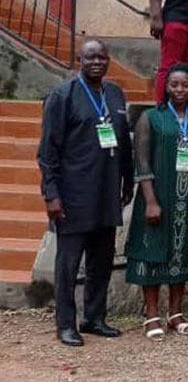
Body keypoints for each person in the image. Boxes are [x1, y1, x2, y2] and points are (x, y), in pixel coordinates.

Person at [37, 40, 133, 346]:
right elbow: (48, 152)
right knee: (68, 264)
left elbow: (124, 143)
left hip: (107, 194)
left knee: (100, 262)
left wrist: (127, 181)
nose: (96, 62)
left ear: (108, 60)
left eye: (102, 57)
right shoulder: (62, 96)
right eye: (90, 57)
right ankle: (65, 324)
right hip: (73, 195)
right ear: (80, 60)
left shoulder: (115, 94)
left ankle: (94, 318)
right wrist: (51, 194)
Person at [125, 63, 188, 341]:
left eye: (185, 85)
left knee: (183, 254)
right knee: (152, 252)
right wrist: (150, 200)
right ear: (166, 87)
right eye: (174, 84)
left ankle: (176, 312)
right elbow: (142, 162)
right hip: (158, 197)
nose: (180, 90)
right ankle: (151, 314)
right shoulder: (151, 117)